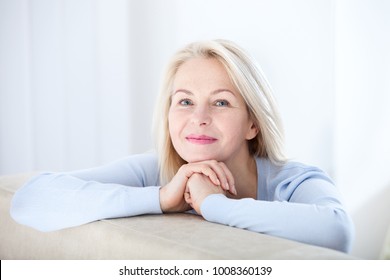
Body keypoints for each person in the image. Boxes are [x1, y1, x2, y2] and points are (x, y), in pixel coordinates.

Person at [10, 39, 354, 253]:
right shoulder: (155, 170)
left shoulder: (294, 180)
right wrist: (160, 198)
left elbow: (337, 232)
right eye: (185, 101)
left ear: (253, 123)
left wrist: (214, 205)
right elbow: (31, 199)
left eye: (220, 103)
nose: (198, 117)